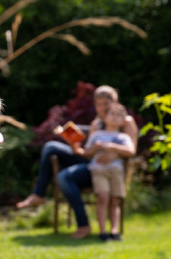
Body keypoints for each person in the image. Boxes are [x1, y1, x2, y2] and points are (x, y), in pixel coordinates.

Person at [16, 85, 138, 239]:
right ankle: (38, 194)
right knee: (50, 147)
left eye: (105, 104)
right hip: (93, 164)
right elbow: (89, 152)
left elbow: (131, 149)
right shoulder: (97, 123)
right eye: (98, 105)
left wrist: (113, 154)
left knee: (63, 177)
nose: (101, 108)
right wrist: (75, 146)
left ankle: (84, 225)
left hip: (113, 169)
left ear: (115, 102)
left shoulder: (126, 121)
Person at [72, 103, 135, 241]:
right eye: (112, 114)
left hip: (116, 172)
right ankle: (102, 231)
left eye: (118, 115)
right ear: (105, 118)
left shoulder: (123, 137)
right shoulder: (97, 135)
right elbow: (87, 153)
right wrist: (94, 148)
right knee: (103, 197)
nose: (114, 117)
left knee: (114, 200)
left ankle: (114, 230)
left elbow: (131, 151)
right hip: (99, 171)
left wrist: (111, 147)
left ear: (123, 120)